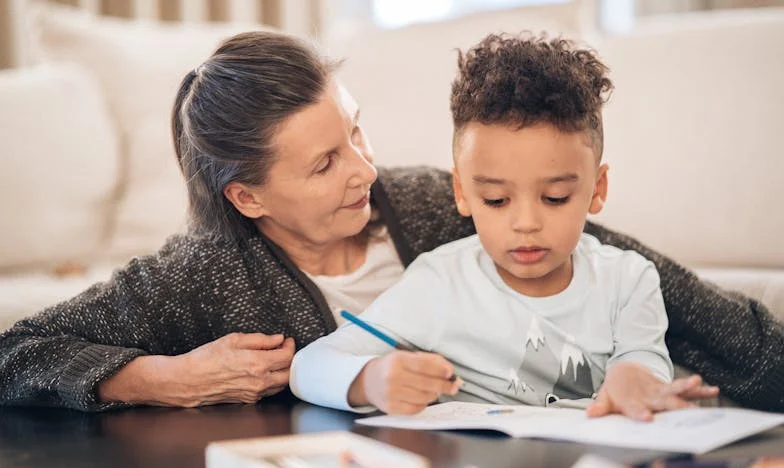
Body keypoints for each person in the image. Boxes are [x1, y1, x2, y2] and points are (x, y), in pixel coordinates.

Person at [0, 31, 781, 413]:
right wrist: (161, 378)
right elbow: (17, 353)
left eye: (357, 133)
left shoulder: (428, 203)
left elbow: (639, 272)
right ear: (249, 199)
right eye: (323, 164)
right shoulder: (201, 273)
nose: (364, 171)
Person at [289, 33, 721, 420]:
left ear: (597, 189)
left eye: (555, 198)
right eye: (496, 200)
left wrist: (633, 378)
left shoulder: (629, 280)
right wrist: (372, 378)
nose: (527, 224)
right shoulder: (438, 284)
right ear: (462, 192)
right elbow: (309, 365)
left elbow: (644, 359)